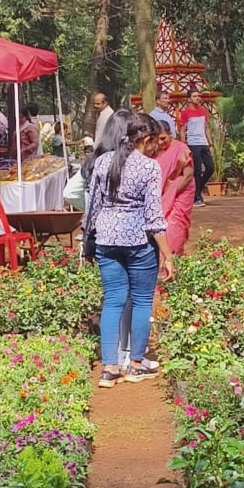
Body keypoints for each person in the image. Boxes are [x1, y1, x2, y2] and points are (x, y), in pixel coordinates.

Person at [82, 113, 174, 388]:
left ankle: (110, 369)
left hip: (106, 240)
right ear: (145, 139)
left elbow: (93, 207)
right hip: (138, 243)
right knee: (143, 301)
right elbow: (155, 218)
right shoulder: (149, 167)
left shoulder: (102, 161)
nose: (156, 147)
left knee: (113, 301)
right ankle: (136, 364)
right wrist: (168, 255)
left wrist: (88, 240)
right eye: (154, 141)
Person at [153, 120, 195, 254]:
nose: (160, 143)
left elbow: (188, 175)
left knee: (174, 226)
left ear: (171, 134)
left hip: (181, 193)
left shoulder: (181, 148)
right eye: (157, 140)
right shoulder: (154, 152)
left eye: (163, 138)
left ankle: (174, 256)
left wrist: (170, 193)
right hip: (163, 195)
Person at [178, 89, 214, 206]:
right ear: (189, 99)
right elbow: (183, 131)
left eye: (198, 96)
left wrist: (210, 144)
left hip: (203, 143)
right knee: (197, 170)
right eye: (194, 96)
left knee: (210, 167)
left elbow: (207, 128)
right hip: (193, 144)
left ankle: (198, 190)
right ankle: (197, 198)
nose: (198, 98)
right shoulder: (185, 113)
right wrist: (184, 147)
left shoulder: (204, 111)